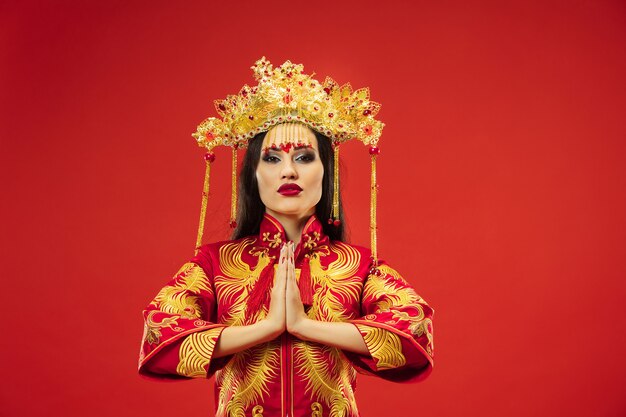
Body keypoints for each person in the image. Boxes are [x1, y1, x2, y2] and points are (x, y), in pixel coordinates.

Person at [138, 58, 434, 417]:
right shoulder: (215, 263)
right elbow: (160, 336)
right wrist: (266, 329)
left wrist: (305, 326)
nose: (289, 170)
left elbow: (414, 331)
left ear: (327, 172)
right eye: (272, 159)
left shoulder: (357, 266)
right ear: (254, 175)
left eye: (305, 157)